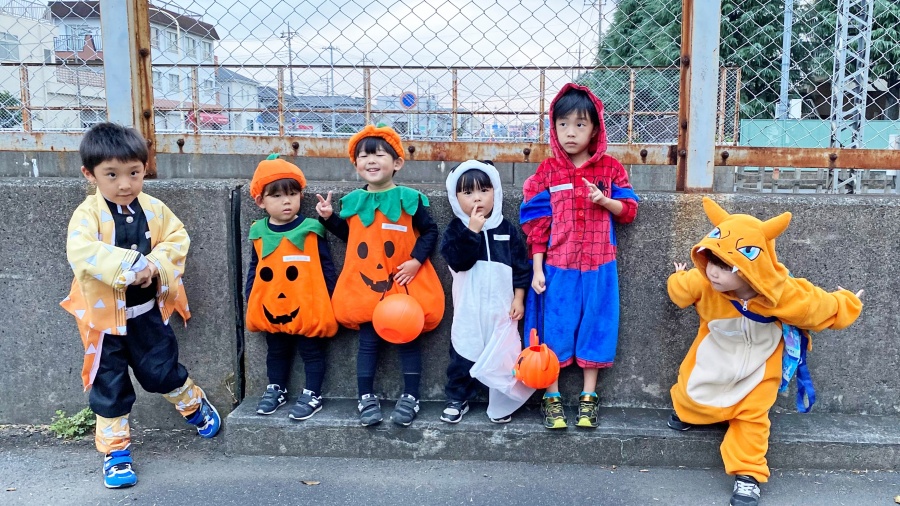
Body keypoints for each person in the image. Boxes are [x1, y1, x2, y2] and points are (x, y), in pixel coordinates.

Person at [667, 197, 863, 506]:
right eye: (710, 261)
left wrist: (848, 302)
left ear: (750, 265)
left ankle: (748, 475)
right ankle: (686, 411)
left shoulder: (782, 293)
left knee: (753, 417)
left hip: (761, 368)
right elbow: (680, 291)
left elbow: (818, 307)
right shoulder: (703, 281)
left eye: (724, 266)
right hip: (714, 357)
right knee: (692, 393)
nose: (713, 272)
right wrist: (679, 276)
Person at [60, 123, 220, 489]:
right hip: (103, 322)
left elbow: (177, 238)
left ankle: (193, 403)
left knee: (160, 372)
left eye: (134, 173)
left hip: (146, 314)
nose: (124, 184)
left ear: (144, 168)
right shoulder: (86, 215)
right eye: (111, 175)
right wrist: (131, 266)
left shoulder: (155, 209)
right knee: (109, 385)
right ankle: (116, 452)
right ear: (90, 174)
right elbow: (81, 253)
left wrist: (154, 265)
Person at [520, 83, 639, 430]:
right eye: (563, 124)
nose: (570, 132)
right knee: (554, 328)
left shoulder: (611, 170)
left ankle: (589, 396)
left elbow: (629, 210)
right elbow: (536, 225)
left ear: (595, 129)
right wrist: (538, 269)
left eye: (580, 124)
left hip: (601, 265)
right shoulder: (547, 172)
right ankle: (551, 395)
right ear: (553, 127)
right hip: (558, 266)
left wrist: (605, 201)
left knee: (598, 325)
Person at [315, 124, 444, 427]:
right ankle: (365, 397)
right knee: (368, 342)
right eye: (363, 156)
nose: (370, 161)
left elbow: (430, 231)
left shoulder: (409, 199)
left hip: (401, 284)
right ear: (356, 164)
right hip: (367, 289)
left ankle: (411, 396)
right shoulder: (354, 202)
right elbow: (352, 237)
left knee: (408, 338)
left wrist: (415, 261)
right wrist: (329, 219)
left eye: (379, 155)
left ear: (397, 163)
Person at [439, 160, 533, 425]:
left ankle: (501, 401)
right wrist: (472, 231)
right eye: (468, 193)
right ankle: (457, 398)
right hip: (469, 308)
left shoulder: (507, 230)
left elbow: (521, 268)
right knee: (463, 352)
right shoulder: (456, 229)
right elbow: (458, 261)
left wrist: (519, 298)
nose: (477, 198)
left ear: (496, 192)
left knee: (503, 356)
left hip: (501, 308)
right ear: (455, 198)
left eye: (484, 190)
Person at [245, 154, 338, 420]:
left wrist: (331, 299)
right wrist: (251, 298)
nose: (286, 201)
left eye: (292, 194)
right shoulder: (259, 232)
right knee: (276, 350)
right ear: (261, 201)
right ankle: (276, 388)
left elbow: (326, 266)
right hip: (272, 305)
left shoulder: (311, 229)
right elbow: (255, 267)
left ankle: (312, 393)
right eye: (276, 196)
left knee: (312, 351)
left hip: (307, 305)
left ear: (301, 196)